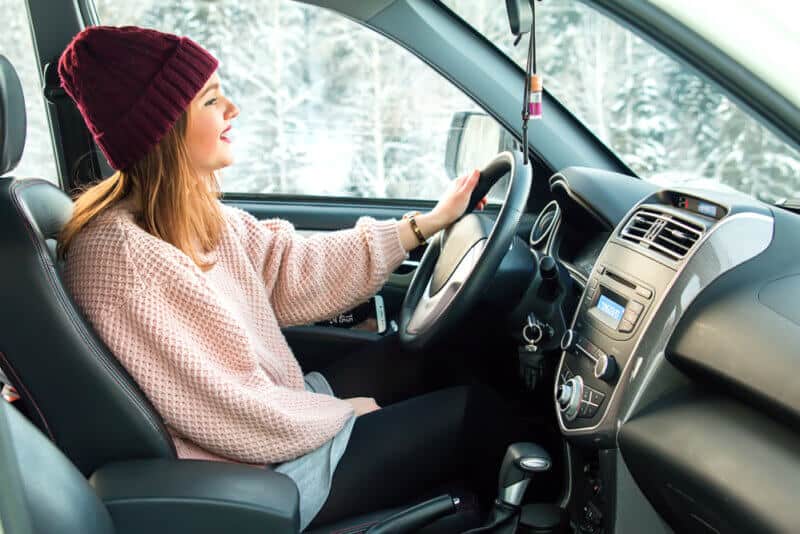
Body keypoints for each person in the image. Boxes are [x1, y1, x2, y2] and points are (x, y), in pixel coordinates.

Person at [57, 25, 516, 531]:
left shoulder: (183, 215)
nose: (232, 109)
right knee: (474, 417)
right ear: (163, 126)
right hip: (256, 475)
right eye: (211, 101)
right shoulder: (125, 260)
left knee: (428, 356)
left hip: (271, 425)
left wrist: (422, 226)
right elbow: (220, 409)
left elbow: (290, 266)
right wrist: (339, 415)